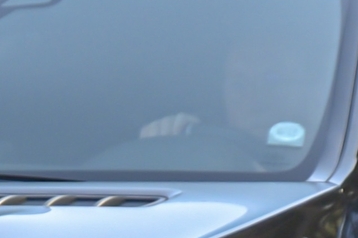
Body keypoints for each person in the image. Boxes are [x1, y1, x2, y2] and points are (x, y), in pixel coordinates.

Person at [138, 30, 329, 151]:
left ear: (311, 91)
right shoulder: (199, 158)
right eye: (239, 84)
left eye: (273, 81)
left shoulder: (333, 162)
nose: (254, 99)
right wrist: (158, 147)